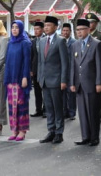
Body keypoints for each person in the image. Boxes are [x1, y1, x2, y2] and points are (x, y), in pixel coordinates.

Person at [70, 18, 101, 146]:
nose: (78, 32)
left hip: (92, 83)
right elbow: (73, 65)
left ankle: (94, 137)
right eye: (77, 30)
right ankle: (85, 136)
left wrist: (99, 83)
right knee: (83, 112)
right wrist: (72, 83)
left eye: (81, 30)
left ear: (88, 29)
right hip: (79, 83)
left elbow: (99, 65)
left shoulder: (96, 44)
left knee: (92, 112)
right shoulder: (75, 44)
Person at [38, 16, 69, 145]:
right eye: (45, 26)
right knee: (48, 108)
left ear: (56, 27)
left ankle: (59, 133)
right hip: (44, 80)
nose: (46, 28)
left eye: (49, 25)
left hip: (56, 80)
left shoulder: (60, 41)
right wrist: (40, 78)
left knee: (57, 108)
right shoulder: (41, 41)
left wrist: (63, 80)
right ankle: (51, 130)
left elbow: (65, 63)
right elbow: (40, 62)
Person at [3, 20, 32, 141]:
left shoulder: (25, 43)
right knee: (12, 106)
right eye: (12, 27)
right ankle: (14, 130)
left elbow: (27, 61)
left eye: (16, 28)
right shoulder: (10, 43)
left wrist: (25, 77)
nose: (14, 29)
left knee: (21, 105)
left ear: (21, 29)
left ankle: (22, 131)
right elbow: (7, 61)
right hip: (11, 79)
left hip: (20, 79)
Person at [86, 12, 101, 123]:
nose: (89, 25)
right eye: (88, 23)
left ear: (96, 23)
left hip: (97, 67)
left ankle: (99, 114)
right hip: (86, 69)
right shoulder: (84, 36)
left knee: (98, 92)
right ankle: (89, 113)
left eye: (92, 22)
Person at [60, 23, 77, 120]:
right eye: (64, 30)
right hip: (62, 71)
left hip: (71, 70)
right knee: (62, 92)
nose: (65, 32)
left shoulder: (74, 42)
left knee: (71, 92)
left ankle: (72, 112)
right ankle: (64, 111)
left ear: (70, 31)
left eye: (67, 30)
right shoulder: (59, 41)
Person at [30, 21, 45, 118]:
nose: (36, 31)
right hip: (35, 69)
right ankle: (38, 109)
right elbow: (31, 56)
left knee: (45, 90)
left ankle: (46, 110)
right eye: (34, 29)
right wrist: (31, 69)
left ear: (42, 29)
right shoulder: (33, 41)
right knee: (37, 91)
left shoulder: (46, 40)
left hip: (45, 69)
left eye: (38, 29)